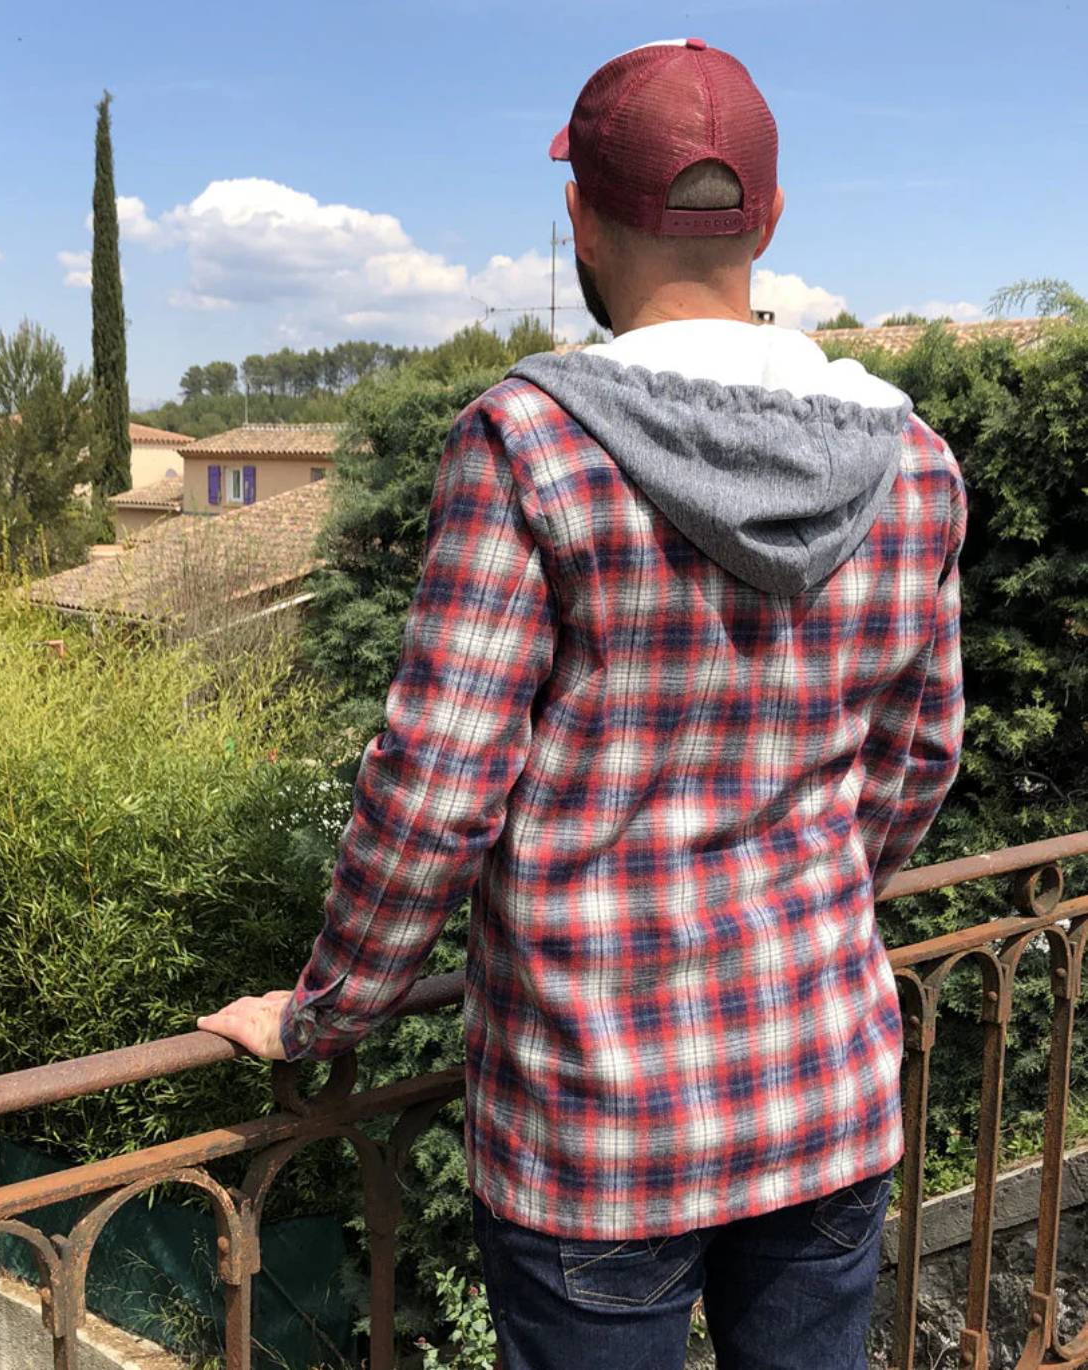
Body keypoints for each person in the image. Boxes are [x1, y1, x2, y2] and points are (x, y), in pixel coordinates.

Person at [199, 37, 964, 1370]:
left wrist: (325, 1011)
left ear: (579, 219)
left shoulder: (529, 443)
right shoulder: (911, 463)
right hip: (823, 1086)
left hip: (596, 1125)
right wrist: (808, 909)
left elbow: (437, 789)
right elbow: (918, 759)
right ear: (771, 219)